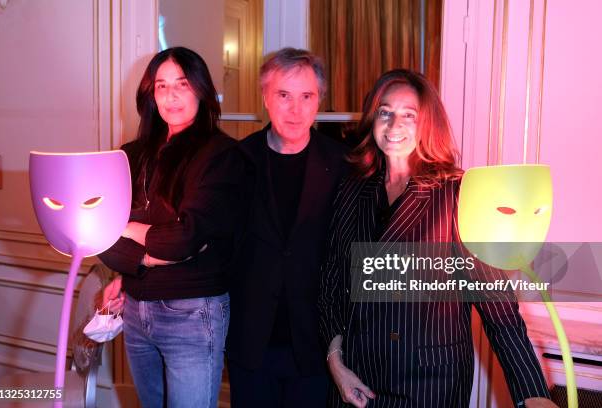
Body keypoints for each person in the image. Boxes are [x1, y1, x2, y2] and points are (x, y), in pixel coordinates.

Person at [318, 69, 558, 408]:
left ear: (427, 123)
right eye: (385, 112)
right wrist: (335, 361)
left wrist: (532, 394)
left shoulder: (458, 194)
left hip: (428, 385)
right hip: (355, 380)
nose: (394, 124)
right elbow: (331, 281)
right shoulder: (353, 188)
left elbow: (499, 307)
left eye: (408, 115)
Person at [99, 46, 242, 408]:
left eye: (182, 83)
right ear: (151, 95)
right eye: (161, 86)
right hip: (134, 308)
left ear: (201, 89)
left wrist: (126, 226)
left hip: (193, 313)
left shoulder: (221, 155)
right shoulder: (129, 155)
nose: (171, 95)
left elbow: (186, 238)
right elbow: (100, 233)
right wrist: (145, 259)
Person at [226, 48, 347, 407]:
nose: (295, 110)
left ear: (319, 101)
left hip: (317, 343)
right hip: (250, 341)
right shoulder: (237, 160)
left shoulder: (343, 164)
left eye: (306, 96)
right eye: (283, 95)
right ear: (265, 97)